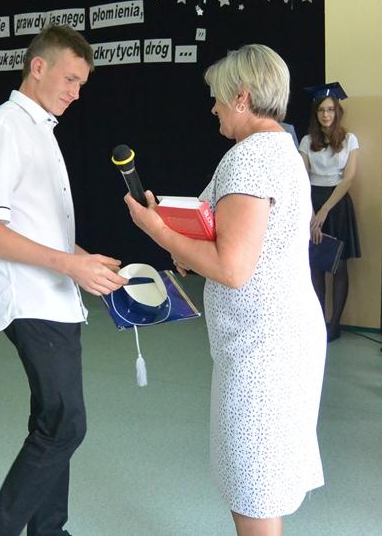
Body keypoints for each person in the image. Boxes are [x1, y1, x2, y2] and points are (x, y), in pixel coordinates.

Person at [124, 44, 324, 536]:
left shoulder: (248, 159)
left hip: (262, 349)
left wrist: (158, 232)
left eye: (217, 97)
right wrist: (185, 240)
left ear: (242, 97)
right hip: (281, 335)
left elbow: (232, 268)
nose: (212, 107)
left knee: (253, 488)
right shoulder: (282, 149)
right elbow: (236, 238)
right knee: (260, 482)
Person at [0, 25, 127, 536]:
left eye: (82, 84)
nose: (76, 93)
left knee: (52, 422)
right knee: (65, 423)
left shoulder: (41, 128)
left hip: (55, 295)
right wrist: (71, 267)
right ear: (38, 67)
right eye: (70, 79)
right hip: (30, 299)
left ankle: (49, 530)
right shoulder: (4, 128)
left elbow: (37, 228)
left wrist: (86, 260)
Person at [299, 82, 360, 342]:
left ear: (337, 112)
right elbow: (302, 178)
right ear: (316, 113)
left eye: (331, 110)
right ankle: (318, 322)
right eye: (322, 110)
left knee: (339, 267)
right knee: (316, 266)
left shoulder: (350, 139)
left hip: (337, 205)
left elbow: (348, 178)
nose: (326, 114)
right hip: (311, 202)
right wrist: (312, 214)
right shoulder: (306, 141)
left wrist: (324, 211)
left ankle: (335, 325)